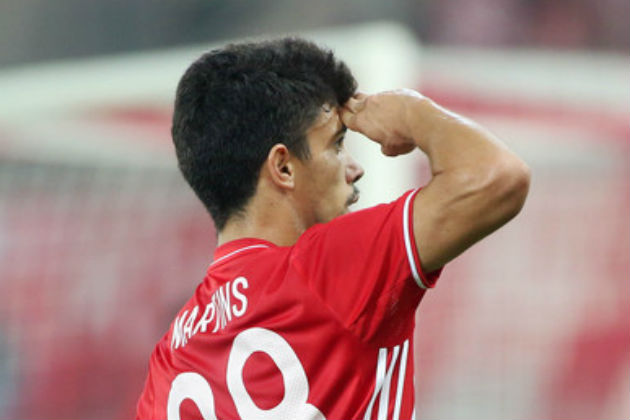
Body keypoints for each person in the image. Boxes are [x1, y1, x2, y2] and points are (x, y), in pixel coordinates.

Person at [136, 37, 530, 420]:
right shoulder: (324, 270)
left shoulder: (169, 362)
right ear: (283, 167)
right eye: (337, 145)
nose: (355, 168)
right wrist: (413, 112)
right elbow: (496, 176)